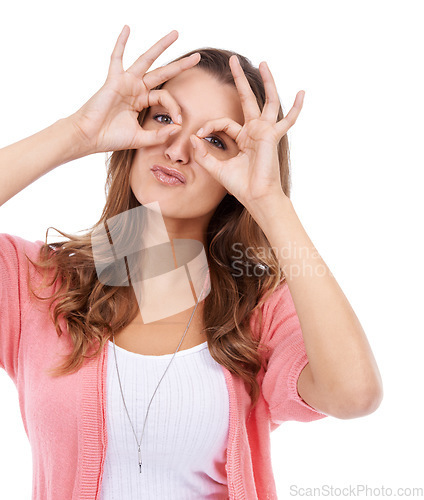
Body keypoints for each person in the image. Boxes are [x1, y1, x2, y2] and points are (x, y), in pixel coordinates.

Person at [0, 25, 383, 499]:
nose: (178, 150)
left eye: (216, 141)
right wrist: (77, 132)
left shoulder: (257, 309)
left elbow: (355, 395)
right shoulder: (38, 284)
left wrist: (270, 201)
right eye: (162, 118)